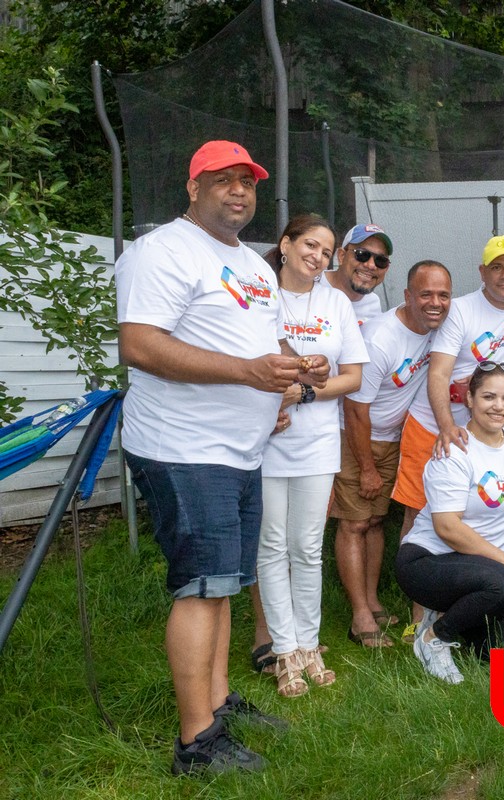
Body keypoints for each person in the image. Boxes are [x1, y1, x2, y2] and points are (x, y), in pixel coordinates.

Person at [116, 140, 329, 774]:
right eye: (223, 179)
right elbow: (140, 345)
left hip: (240, 450)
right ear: (193, 187)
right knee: (201, 587)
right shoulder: (162, 251)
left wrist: (295, 365)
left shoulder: (251, 265)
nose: (239, 190)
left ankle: (217, 702)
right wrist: (248, 373)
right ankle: (196, 743)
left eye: (248, 181)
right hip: (184, 447)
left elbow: (265, 340)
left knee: (226, 584)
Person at [257, 214, 367, 696]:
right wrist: (269, 404)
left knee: (306, 547)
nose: (318, 257)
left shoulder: (336, 302)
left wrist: (303, 392)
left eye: (326, 251)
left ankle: (308, 644)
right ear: (285, 244)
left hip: (318, 442)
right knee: (271, 546)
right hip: (264, 438)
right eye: (310, 245)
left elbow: (353, 378)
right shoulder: (260, 294)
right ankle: (283, 651)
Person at [394, 362, 504, 684]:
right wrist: (503, 561)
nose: (499, 406)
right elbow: (447, 528)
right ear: (469, 399)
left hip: (482, 567)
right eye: (488, 397)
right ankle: (434, 638)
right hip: (428, 561)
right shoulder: (453, 450)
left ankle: (450, 614)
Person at [333, 260, 453, 648]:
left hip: (393, 438)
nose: (435, 303)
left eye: (443, 295)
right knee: (354, 523)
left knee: (376, 521)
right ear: (407, 296)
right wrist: (367, 466)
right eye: (426, 294)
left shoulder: (439, 327)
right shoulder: (381, 338)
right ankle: (359, 618)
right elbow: (355, 409)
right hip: (356, 436)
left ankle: (372, 603)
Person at [392, 236, 504, 525]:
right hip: (432, 422)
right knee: (421, 511)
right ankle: (411, 556)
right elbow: (438, 373)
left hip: (484, 430)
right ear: (482, 272)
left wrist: (485, 377)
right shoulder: (461, 310)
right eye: (496, 267)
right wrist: (446, 426)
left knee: (470, 512)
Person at [325, 223, 392, 325]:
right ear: (341, 256)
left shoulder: (373, 303)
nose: (371, 265)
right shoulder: (311, 285)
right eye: (362, 254)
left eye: (381, 260)